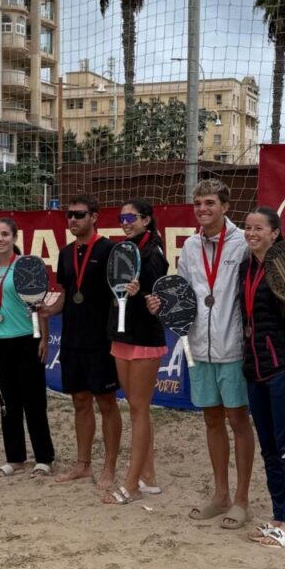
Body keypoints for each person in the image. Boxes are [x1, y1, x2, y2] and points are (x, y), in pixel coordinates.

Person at [148, 178, 254, 530]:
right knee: (211, 420)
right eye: (198, 204)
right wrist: (161, 304)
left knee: (238, 422)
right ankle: (220, 494)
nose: (203, 209)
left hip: (233, 347)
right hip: (199, 347)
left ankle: (241, 500)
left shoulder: (243, 243)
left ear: (225, 207)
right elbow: (183, 295)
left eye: (209, 203)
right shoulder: (190, 246)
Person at [239, 207, 285, 548]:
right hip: (256, 370)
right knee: (270, 449)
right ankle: (279, 517)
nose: (252, 232)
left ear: (275, 233)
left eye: (259, 228)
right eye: (248, 227)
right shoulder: (247, 266)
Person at [41, 194, 120, 490]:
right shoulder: (65, 253)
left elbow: (119, 294)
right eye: (69, 216)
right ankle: (83, 465)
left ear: (95, 216)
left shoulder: (110, 250)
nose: (73, 220)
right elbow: (67, 293)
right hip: (72, 339)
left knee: (107, 403)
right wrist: (50, 309)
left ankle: (109, 468)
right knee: (80, 402)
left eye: (79, 215)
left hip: (101, 340)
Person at [103, 199, 168, 505]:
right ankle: (150, 477)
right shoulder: (125, 250)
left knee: (139, 410)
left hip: (144, 339)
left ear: (146, 220)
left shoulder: (153, 254)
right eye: (122, 217)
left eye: (131, 217)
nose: (126, 222)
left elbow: (156, 301)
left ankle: (131, 484)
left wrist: (140, 293)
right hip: (121, 336)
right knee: (135, 407)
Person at [0, 217, 55, 477]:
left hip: (28, 338)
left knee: (34, 401)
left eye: (5, 234)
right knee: (8, 403)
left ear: (15, 238)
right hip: (0, 340)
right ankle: (14, 458)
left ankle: (44, 458)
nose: (0, 239)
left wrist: (44, 339)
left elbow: (40, 306)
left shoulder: (26, 266)